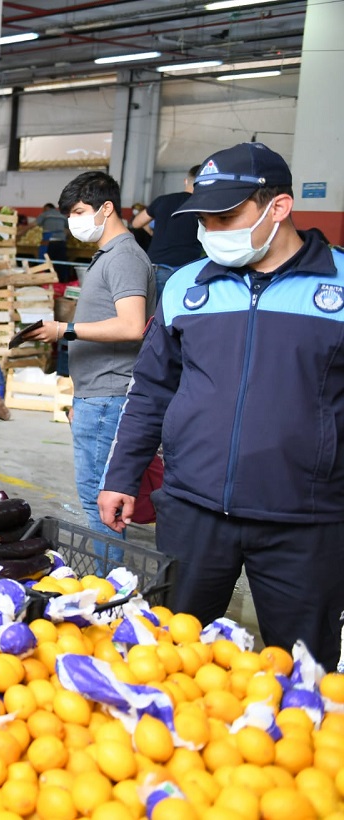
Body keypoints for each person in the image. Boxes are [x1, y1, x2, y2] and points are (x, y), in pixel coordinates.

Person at [98, 142, 344, 668]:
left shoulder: (339, 287)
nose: (211, 229)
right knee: (174, 660)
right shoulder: (188, 287)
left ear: (278, 207)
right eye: (205, 217)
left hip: (305, 521)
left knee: (302, 674)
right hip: (193, 508)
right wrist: (122, 475)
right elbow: (151, 389)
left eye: (227, 215)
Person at [22, 171, 153, 545]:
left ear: (107, 207)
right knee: (98, 494)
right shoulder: (109, 255)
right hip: (96, 393)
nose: (73, 221)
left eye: (80, 211)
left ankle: (108, 585)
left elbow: (131, 325)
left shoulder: (124, 257)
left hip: (109, 393)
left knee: (101, 499)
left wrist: (65, 330)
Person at [132, 165, 205, 305]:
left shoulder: (163, 200)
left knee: (152, 317)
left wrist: (152, 231)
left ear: (186, 181)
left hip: (157, 268)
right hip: (186, 270)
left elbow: (136, 222)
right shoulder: (203, 206)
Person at [35, 202, 70, 273]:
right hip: (61, 243)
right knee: (60, 264)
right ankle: (61, 282)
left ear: (47, 208)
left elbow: (33, 224)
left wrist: (20, 231)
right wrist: (67, 237)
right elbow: (71, 228)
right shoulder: (62, 215)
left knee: (48, 264)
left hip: (49, 243)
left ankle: (48, 280)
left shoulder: (45, 214)